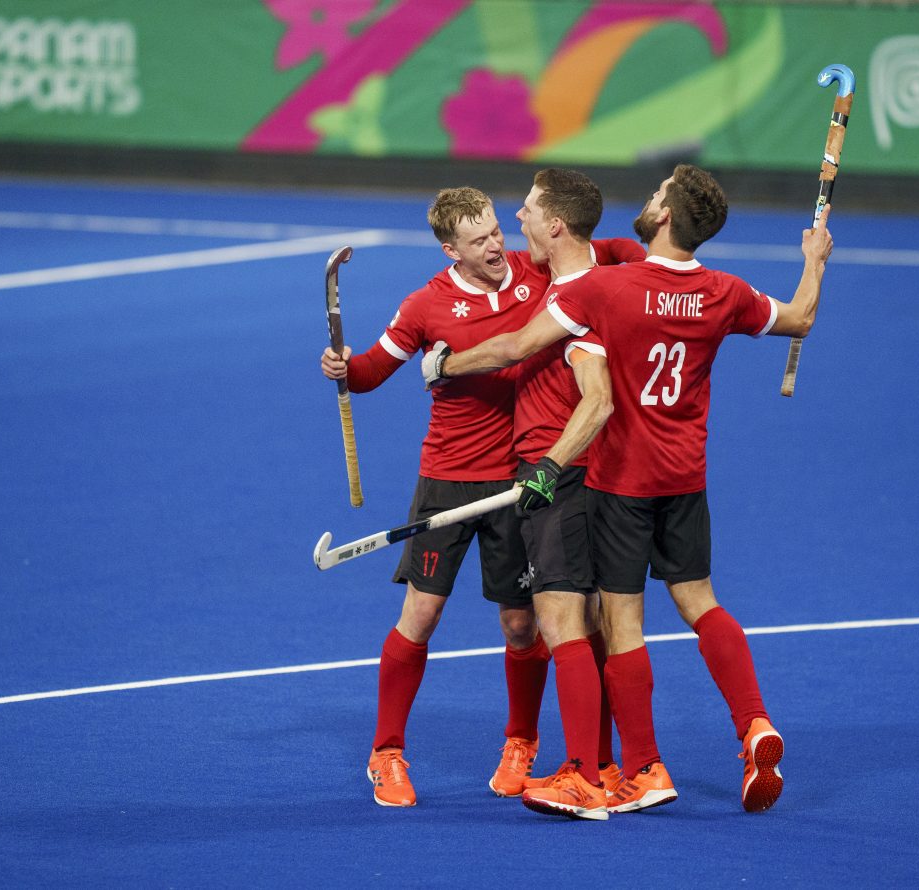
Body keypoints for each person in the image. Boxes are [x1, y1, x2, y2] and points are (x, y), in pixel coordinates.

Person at [422, 164, 834, 814]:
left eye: (656, 194)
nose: (647, 200)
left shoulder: (610, 289)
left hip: (622, 485)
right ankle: (754, 722)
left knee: (621, 624)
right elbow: (802, 317)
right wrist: (814, 259)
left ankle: (630, 770)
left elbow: (517, 345)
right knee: (702, 603)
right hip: (687, 480)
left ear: (667, 216)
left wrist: (445, 363)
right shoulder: (724, 292)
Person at [320, 186, 642, 808]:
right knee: (422, 615)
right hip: (446, 478)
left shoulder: (532, 270)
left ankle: (521, 741)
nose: (498, 246)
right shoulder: (423, 305)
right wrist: (343, 366)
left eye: (497, 230)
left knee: (523, 625)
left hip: (519, 481)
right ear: (451, 249)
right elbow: (370, 373)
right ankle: (386, 751)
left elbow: (606, 249)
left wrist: (654, 258)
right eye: (480, 240)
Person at [500, 169, 642, 821]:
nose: (517, 219)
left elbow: (598, 399)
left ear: (556, 225)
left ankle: (583, 774)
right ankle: (609, 765)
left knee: (560, 621)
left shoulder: (581, 302)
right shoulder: (609, 271)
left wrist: (548, 466)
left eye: (527, 210)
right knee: (591, 622)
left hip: (563, 471)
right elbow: (621, 247)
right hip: (599, 473)